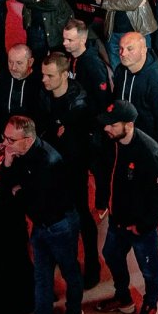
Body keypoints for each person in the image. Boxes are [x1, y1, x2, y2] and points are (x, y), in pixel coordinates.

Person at [1, 115, 85, 314]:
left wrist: (20, 192)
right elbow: (12, 186)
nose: (5, 143)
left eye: (10, 139)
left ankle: (75, 311)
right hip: (41, 226)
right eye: (4, 137)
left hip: (60, 225)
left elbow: (32, 200)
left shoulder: (47, 162)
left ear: (27, 141)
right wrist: (8, 163)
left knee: (69, 271)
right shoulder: (20, 155)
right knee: (41, 277)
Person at [93, 100, 158, 314]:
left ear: (129, 125)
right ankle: (123, 297)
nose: (106, 128)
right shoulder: (112, 143)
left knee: (149, 269)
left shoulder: (151, 153)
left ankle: (150, 305)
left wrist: (144, 225)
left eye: (112, 125)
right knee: (111, 254)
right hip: (118, 218)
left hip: (139, 226)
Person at [112, 31, 158, 267]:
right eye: (121, 49)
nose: (123, 53)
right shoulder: (121, 72)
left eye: (129, 49)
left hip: (151, 151)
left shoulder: (157, 81)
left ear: (144, 50)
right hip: (127, 145)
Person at [35, 52, 99, 288]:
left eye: (49, 76)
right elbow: (44, 130)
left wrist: (58, 131)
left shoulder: (78, 102)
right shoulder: (45, 94)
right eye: (43, 74)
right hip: (52, 167)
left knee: (81, 214)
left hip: (73, 168)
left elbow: (76, 139)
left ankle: (92, 265)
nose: (44, 80)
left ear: (64, 75)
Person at [0, 43, 43, 131]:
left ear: (30, 62)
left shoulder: (40, 82)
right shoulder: (0, 79)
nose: (13, 67)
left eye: (19, 63)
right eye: (10, 62)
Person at [63, 18, 112, 110]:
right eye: (64, 38)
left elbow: (103, 99)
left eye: (70, 40)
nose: (64, 43)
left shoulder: (94, 65)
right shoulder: (68, 56)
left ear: (83, 40)